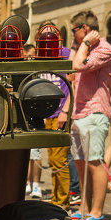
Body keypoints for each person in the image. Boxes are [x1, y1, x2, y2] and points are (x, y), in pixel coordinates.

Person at [68, 11, 111, 220]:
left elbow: (78, 66)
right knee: (80, 163)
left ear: (85, 29)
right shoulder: (82, 49)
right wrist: (80, 45)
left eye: (73, 30)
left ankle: (96, 213)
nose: (72, 35)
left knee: (95, 163)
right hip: (79, 113)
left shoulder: (105, 49)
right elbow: (70, 72)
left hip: (95, 113)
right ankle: (84, 210)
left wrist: (85, 43)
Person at [42, 44, 71, 209]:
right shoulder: (43, 56)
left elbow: (72, 81)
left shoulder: (65, 53)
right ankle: (56, 198)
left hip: (61, 113)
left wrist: (65, 112)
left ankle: (63, 200)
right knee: (52, 160)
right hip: (49, 113)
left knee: (59, 160)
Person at [23, 44, 43, 198]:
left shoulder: (37, 74)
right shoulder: (19, 71)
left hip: (34, 114)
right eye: (29, 55)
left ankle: (36, 184)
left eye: (33, 55)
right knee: (25, 153)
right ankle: (26, 183)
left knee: (35, 153)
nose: (31, 58)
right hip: (23, 115)